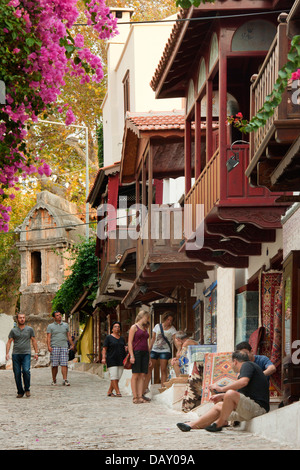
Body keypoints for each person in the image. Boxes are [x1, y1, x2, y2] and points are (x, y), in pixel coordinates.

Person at [176, 351, 270, 433]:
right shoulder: (245, 370)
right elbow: (241, 396)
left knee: (230, 393)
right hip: (247, 410)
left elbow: (243, 382)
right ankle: (192, 425)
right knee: (218, 406)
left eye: (231, 363)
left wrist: (222, 389)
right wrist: (222, 395)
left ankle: (220, 423)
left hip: (258, 409)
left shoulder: (247, 365)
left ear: (235, 361)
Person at [6, 313, 38, 398]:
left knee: (26, 371)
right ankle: (20, 391)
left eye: (23, 318)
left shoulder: (29, 329)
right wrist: (7, 353)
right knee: (17, 373)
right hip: (16, 354)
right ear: (17, 319)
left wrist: (36, 352)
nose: (22, 319)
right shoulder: (13, 331)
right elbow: (9, 342)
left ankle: (27, 389)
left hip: (26, 354)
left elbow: (34, 340)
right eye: (20, 318)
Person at [145, 311, 177, 390]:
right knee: (149, 368)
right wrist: (149, 349)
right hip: (155, 349)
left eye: (171, 320)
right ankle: (145, 387)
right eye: (168, 319)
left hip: (165, 350)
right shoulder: (157, 326)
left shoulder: (172, 329)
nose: (169, 322)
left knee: (163, 369)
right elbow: (153, 338)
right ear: (164, 319)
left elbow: (175, 340)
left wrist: (179, 349)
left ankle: (163, 387)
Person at [128, 310, 151, 404]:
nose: (148, 319)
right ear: (142, 316)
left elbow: (146, 343)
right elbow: (130, 342)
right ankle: (135, 397)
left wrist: (149, 357)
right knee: (135, 374)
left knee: (143, 375)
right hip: (136, 352)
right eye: (147, 317)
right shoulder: (134, 327)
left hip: (145, 353)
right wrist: (132, 355)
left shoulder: (145, 328)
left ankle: (140, 396)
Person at [47, 310, 74, 386]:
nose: (59, 316)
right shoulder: (50, 326)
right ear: (54, 317)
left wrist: (72, 344)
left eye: (60, 315)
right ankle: (54, 380)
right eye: (57, 315)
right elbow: (48, 337)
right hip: (54, 346)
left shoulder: (65, 325)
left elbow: (68, 335)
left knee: (64, 364)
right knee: (54, 365)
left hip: (64, 346)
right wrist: (48, 346)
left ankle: (65, 380)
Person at [101, 321, 127, 397]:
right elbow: (104, 348)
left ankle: (109, 391)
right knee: (114, 376)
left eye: (118, 327)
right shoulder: (109, 337)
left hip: (121, 360)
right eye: (115, 327)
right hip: (111, 359)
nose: (117, 328)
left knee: (117, 377)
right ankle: (118, 392)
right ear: (112, 329)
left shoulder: (122, 339)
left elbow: (124, 347)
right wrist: (103, 358)